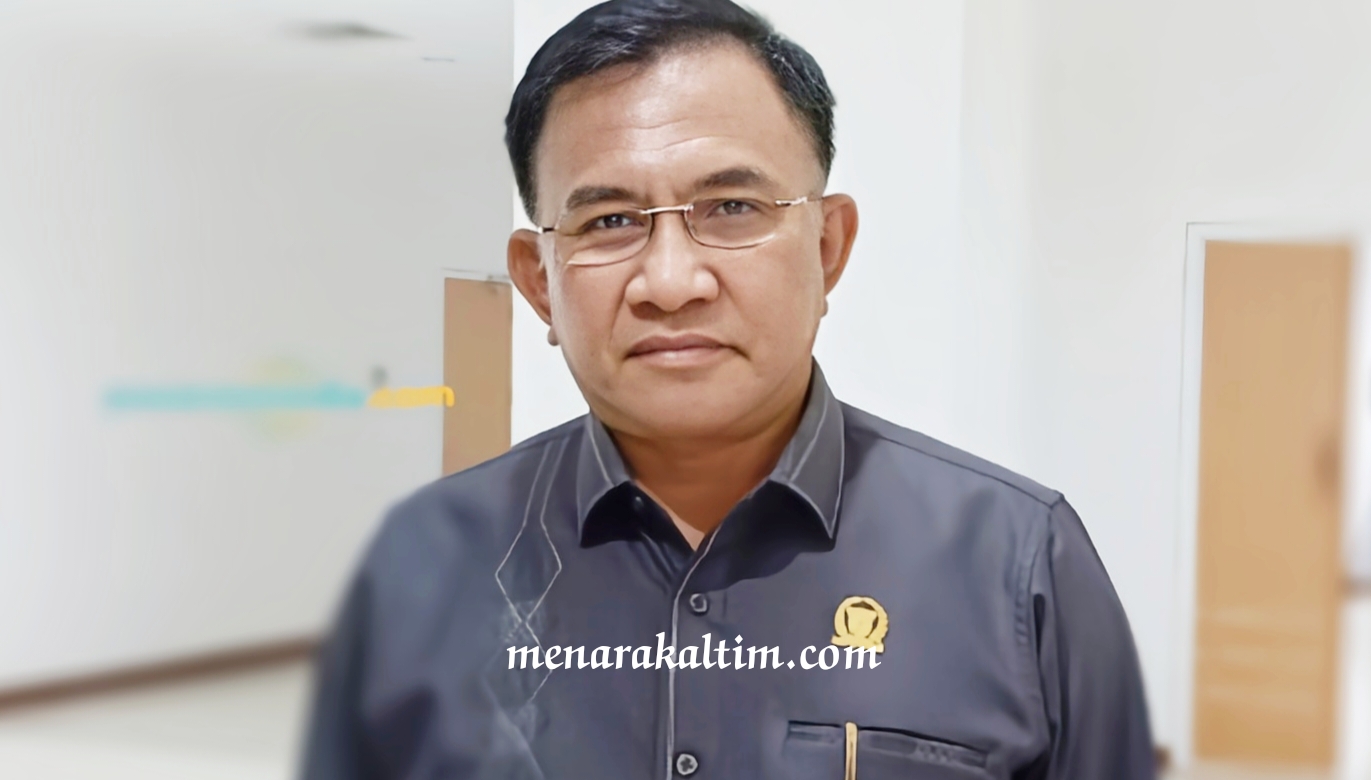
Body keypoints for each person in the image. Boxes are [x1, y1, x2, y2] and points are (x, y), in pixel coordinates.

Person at [300, 0, 1156, 777]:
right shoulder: (422, 568)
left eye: (732, 209)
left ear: (828, 247)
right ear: (538, 282)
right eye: (609, 221)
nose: (671, 282)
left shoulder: (1020, 562)